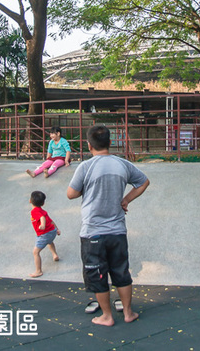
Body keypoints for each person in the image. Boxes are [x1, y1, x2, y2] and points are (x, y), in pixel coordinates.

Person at [67, 125, 150, 326]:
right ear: (110, 143)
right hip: (117, 231)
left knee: (97, 274)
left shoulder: (85, 167)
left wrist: (86, 189)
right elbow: (143, 182)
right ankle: (128, 312)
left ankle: (107, 316)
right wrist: (126, 199)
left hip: (92, 232)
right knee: (121, 272)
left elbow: (71, 193)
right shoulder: (122, 164)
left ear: (88, 145)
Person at [29, 190, 60, 278]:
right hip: (52, 231)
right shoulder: (43, 211)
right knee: (50, 242)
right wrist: (57, 229)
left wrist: (42, 225)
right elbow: (51, 221)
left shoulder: (34, 211)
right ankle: (55, 255)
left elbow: (42, 218)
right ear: (43, 204)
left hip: (44, 234)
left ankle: (38, 271)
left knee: (35, 252)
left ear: (30, 201)